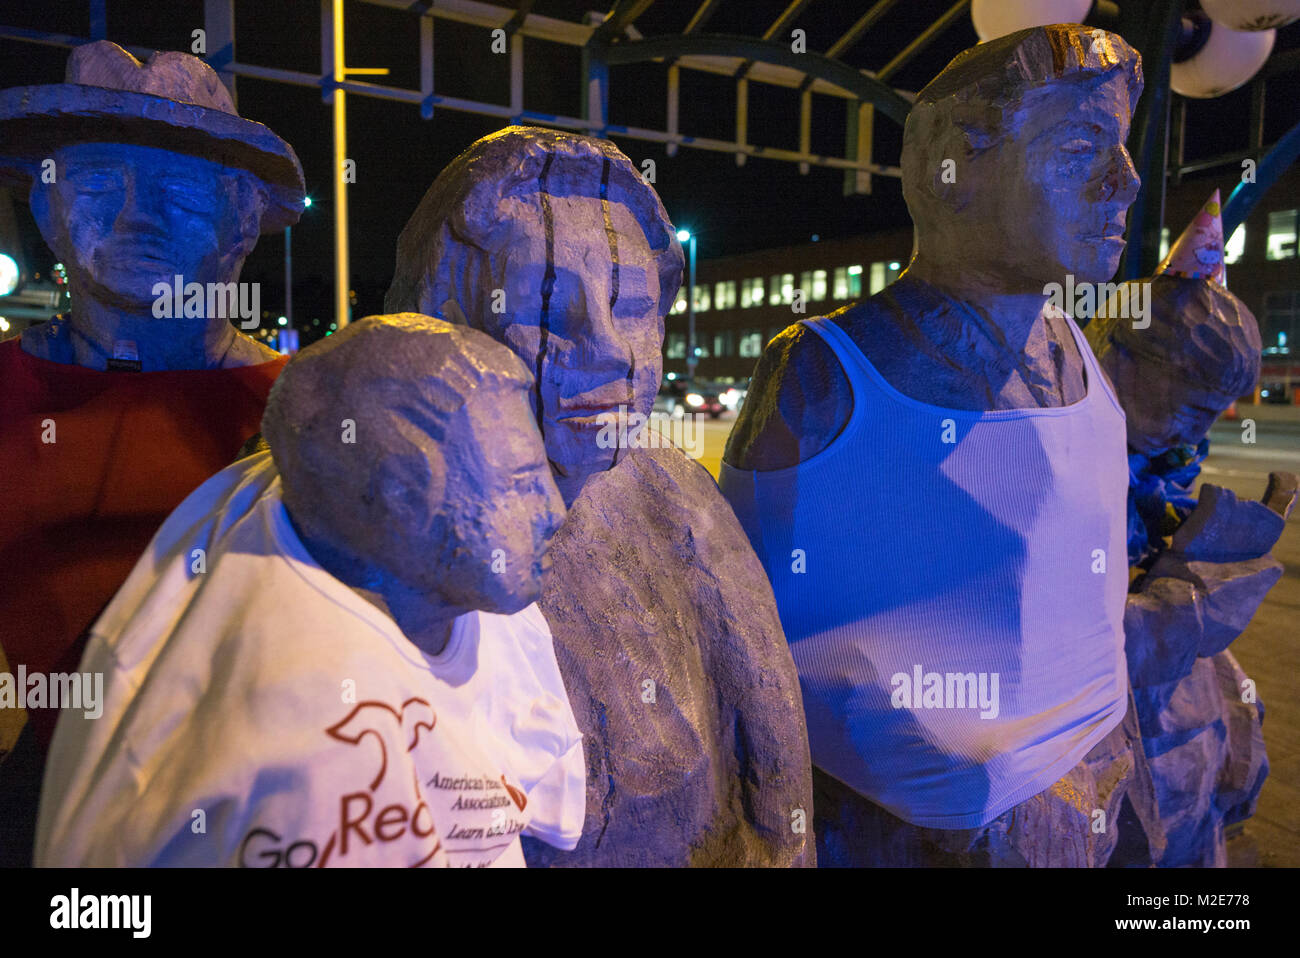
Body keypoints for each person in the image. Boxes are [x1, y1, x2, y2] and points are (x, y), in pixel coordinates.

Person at [721, 25, 1163, 866]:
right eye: (1078, 149)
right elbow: (747, 635)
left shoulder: (1077, 351)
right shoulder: (823, 375)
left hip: (1098, 789)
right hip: (900, 834)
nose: (1126, 183)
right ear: (953, 171)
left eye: (1124, 149)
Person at [387, 127, 814, 866]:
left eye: (636, 308)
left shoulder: (672, 491)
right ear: (449, 315)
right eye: (550, 308)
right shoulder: (397, 522)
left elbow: (771, 722)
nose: (612, 348)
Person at [36, 314, 585, 867]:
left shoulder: (481, 614)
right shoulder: (283, 728)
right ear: (400, 491)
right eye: (519, 483)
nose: (554, 513)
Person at [0, 41, 305, 863]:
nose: (139, 218)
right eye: (101, 183)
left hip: (254, 817)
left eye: (178, 189)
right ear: (46, 208)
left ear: (240, 216)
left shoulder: (303, 412)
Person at [1088, 194, 1294, 866]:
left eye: (1213, 414)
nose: (1196, 432)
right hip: (1109, 736)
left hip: (1174, 706)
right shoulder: (1062, 466)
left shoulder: (1154, 458)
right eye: (1191, 405)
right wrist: (1184, 596)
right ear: (1120, 357)